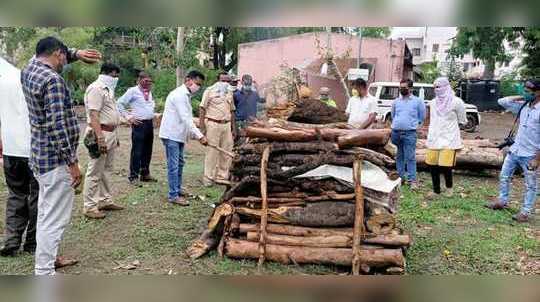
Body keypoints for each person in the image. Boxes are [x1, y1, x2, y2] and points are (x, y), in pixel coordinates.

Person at [20, 36, 101, 275]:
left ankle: (49, 260)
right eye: (64, 57)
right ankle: (44, 272)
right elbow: (57, 126)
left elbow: (46, 53)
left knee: (46, 212)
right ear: (57, 54)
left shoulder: (29, 69)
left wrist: (75, 53)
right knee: (54, 218)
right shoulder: (52, 80)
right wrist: (72, 162)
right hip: (56, 161)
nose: (65, 62)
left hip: (39, 156)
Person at [486, 79, 540, 223]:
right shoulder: (523, 106)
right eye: (524, 91)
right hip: (515, 150)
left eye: (528, 92)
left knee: (530, 184)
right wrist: (523, 97)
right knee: (504, 176)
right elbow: (502, 101)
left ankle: (525, 212)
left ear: (538, 92)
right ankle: (502, 201)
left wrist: (537, 159)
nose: (525, 93)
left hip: (530, 155)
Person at [0, 57, 37, 257]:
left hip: (10, 148)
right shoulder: (25, 78)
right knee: (37, 196)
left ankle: (12, 240)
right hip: (31, 148)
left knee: (16, 194)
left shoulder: (2, 82)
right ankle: (33, 241)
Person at [81, 63, 125, 219]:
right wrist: (100, 138)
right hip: (101, 133)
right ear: (106, 74)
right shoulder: (96, 89)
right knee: (94, 171)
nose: (116, 78)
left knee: (107, 169)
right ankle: (89, 206)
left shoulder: (107, 89)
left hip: (110, 133)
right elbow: (94, 115)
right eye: (114, 75)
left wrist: (114, 136)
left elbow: (110, 113)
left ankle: (104, 200)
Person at [159, 70, 208, 205]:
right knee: (173, 166)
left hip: (178, 135)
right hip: (171, 135)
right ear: (188, 80)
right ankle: (173, 195)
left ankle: (177, 188)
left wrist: (195, 135)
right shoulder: (179, 95)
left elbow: (186, 120)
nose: (197, 87)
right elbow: (186, 119)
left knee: (180, 163)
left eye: (199, 85)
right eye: (196, 83)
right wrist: (200, 136)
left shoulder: (186, 95)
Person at [424, 77, 467, 199]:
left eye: (438, 87)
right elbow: (429, 119)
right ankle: (436, 191)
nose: (436, 90)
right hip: (434, 139)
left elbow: (462, 120)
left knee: (446, 166)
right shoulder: (432, 103)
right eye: (434, 87)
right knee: (432, 166)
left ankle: (449, 189)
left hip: (449, 139)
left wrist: (451, 129)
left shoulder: (457, 102)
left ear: (446, 87)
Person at [117, 71, 157, 186]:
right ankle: (133, 176)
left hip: (149, 124)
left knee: (148, 149)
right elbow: (119, 103)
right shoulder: (132, 91)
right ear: (139, 80)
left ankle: (145, 173)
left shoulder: (149, 91)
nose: (148, 83)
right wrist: (128, 117)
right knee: (137, 151)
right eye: (145, 81)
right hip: (139, 124)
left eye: (150, 81)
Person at [199, 72, 236, 186]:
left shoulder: (229, 92)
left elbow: (232, 110)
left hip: (226, 125)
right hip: (213, 124)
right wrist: (202, 127)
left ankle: (222, 177)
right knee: (212, 152)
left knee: (227, 151)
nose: (225, 83)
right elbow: (202, 108)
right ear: (217, 80)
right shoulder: (209, 91)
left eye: (227, 81)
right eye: (223, 80)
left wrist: (233, 128)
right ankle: (208, 178)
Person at [390, 79, 426, 189]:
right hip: (396, 133)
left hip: (410, 133)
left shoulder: (418, 101)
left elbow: (422, 117)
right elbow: (393, 116)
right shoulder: (396, 101)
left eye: (404, 87)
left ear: (410, 88)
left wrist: (416, 127)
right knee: (399, 156)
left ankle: (412, 181)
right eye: (400, 87)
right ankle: (401, 178)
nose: (402, 89)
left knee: (410, 157)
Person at [233, 74, 263, 143]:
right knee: (239, 143)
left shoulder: (255, 94)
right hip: (240, 123)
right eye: (246, 83)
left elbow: (261, 101)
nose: (248, 85)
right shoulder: (236, 94)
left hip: (252, 123)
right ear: (242, 82)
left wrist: (257, 88)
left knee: (251, 143)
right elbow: (232, 110)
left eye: (249, 83)